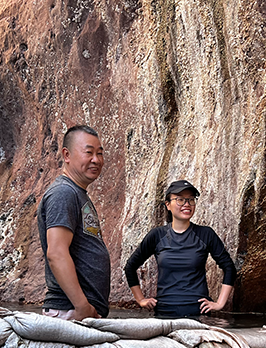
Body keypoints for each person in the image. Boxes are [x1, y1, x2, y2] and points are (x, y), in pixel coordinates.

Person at [124, 180, 237, 318]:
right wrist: (140, 299)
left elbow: (229, 267)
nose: (187, 204)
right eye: (180, 200)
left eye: (190, 200)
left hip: (198, 314)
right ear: (168, 205)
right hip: (164, 314)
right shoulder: (157, 235)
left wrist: (219, 304)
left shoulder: (206, 234)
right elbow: (130, 267)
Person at [37, 125, 110, 320]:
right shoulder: (63, 193)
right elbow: (56, 253)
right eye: (89, 153)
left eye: (99, 153)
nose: (96, 160)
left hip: (80, 311)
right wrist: (82, 306)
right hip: (71, 310)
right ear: (66, 155)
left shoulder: (77, 194)